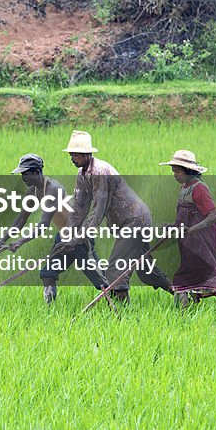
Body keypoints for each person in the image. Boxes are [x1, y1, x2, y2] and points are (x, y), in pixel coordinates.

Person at [62, 130, 174, 303]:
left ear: (86, 154)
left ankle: (122, 316)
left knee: (116, 271)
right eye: (71, 155)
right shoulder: (82, 174)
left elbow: (99, 208)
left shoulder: (101, 171)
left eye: (75, 155)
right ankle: (182, 293)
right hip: (123, 223)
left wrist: (79, 237)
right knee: (146, 271)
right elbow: (79, 207)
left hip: (134, 220)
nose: (72, 159)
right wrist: (68, 235)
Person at [0, 153, 108, 303]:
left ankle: (119, 302)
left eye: (25, 174)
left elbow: (43, 224)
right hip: (63, 236)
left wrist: (20, 241)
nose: (23, 178)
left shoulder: (53, 189)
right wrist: (3, 239)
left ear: (36, 172)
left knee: (99, 279)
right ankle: (50, 310)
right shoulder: (33, 192)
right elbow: (21, 219)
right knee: (48, 273)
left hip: (78, 238)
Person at [159, 150, 216, 309]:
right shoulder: (183, 188)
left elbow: (214, 215)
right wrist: (172, 227)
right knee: (192, 279)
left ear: (189, 171)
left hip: (205, 242)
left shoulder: (199, 189)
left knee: (212, 278)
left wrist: (192, 229)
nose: (174, 174)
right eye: (173, 170)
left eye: (178, 171)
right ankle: (185, 316)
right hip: (190, 244)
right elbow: (183, 217)